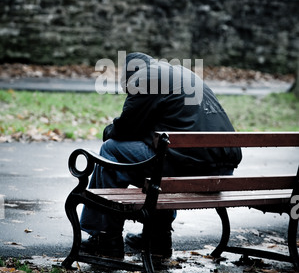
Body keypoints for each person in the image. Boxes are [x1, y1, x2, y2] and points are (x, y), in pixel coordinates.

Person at [80, 52, 242, 259]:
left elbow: (125, 128)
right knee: (161, 159)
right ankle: (158, 236)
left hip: (189, 166)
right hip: (220, 172)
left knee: (111, 149)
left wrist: (108, 131)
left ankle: (104, 237)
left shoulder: (145, 78)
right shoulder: (183, 74)